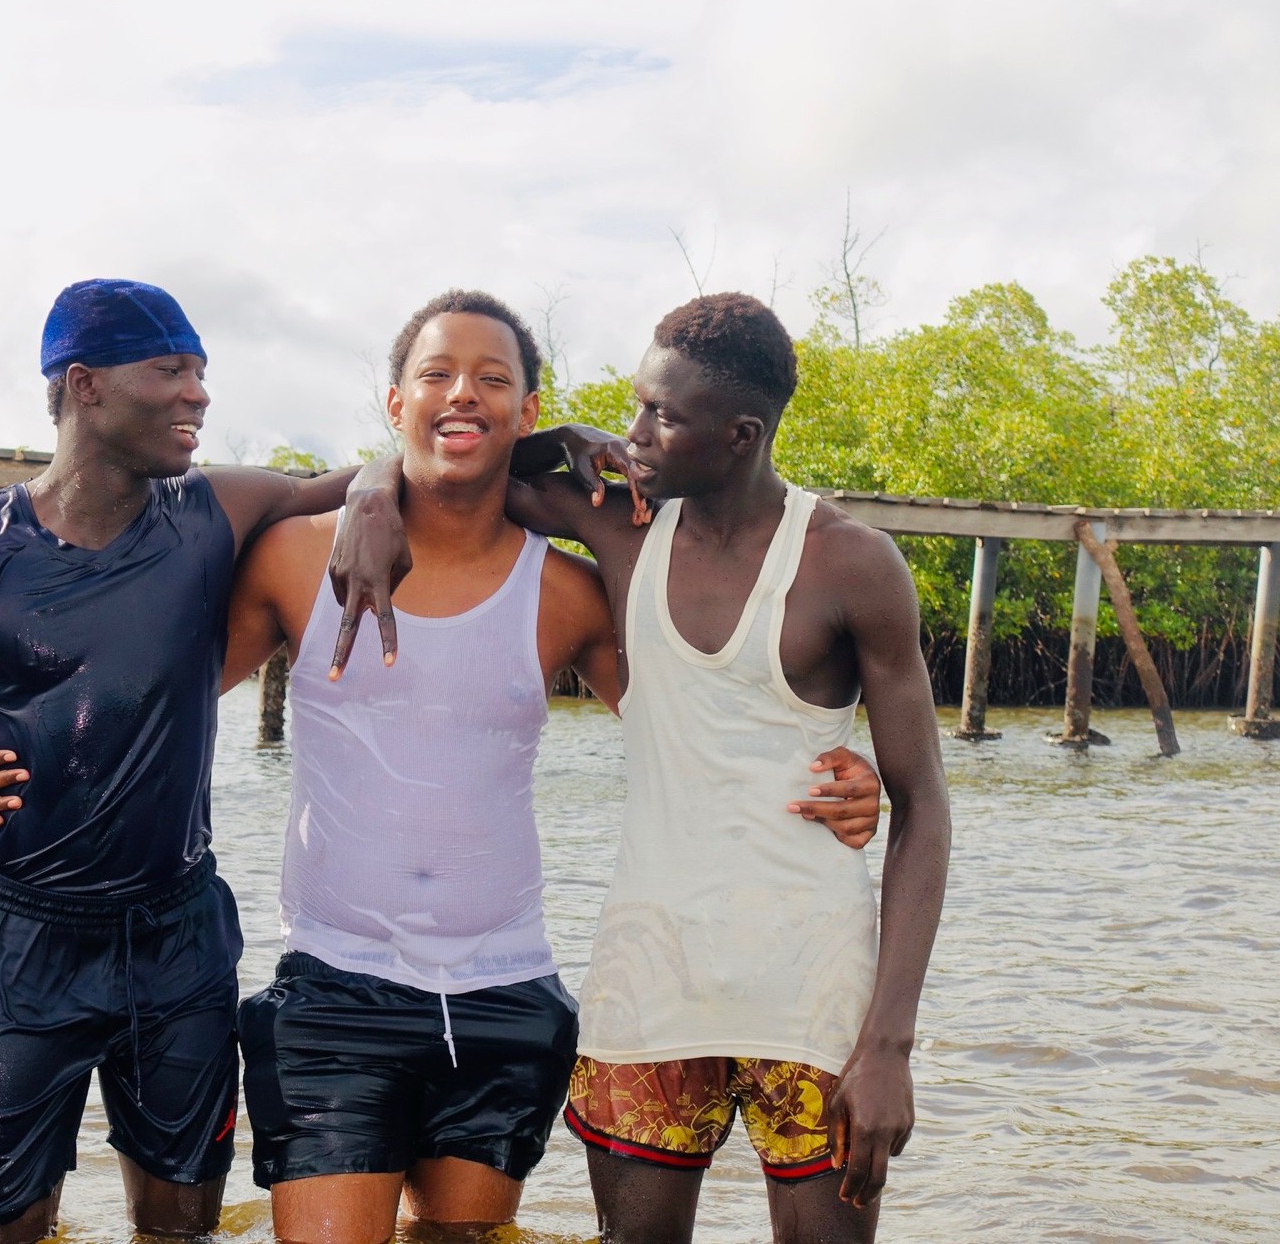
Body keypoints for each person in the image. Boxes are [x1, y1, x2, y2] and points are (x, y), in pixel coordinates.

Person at [0, 290, 885, 1244]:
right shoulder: (289, 560)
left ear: (528, 414)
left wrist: (846, 779)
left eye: (494, 381)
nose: (463, 396)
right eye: (436, 376)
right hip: (334, 985)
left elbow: (697, 727)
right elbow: (147, 697)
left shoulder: (564, 592)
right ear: (394, 405)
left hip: (505, 991)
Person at [336, 291, 951, 1244]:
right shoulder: (622, 525)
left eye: (661, 415)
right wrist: (377, 487)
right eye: (632, 405)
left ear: (742, 433)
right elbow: (457, 459)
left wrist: (889, 1046)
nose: (636, 434)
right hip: (648, 982)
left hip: (813, 992)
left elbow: (924, 811)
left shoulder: (850, 565)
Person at [0, 279, 399, 1241]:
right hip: (22, 947)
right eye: (171, 370)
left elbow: (384, 472)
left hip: (178, 942)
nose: (198, 394)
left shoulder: (212, 513)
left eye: (201, 371)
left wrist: (369, 493)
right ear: (86, 386)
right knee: (2, 1231)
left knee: (181, 1230)